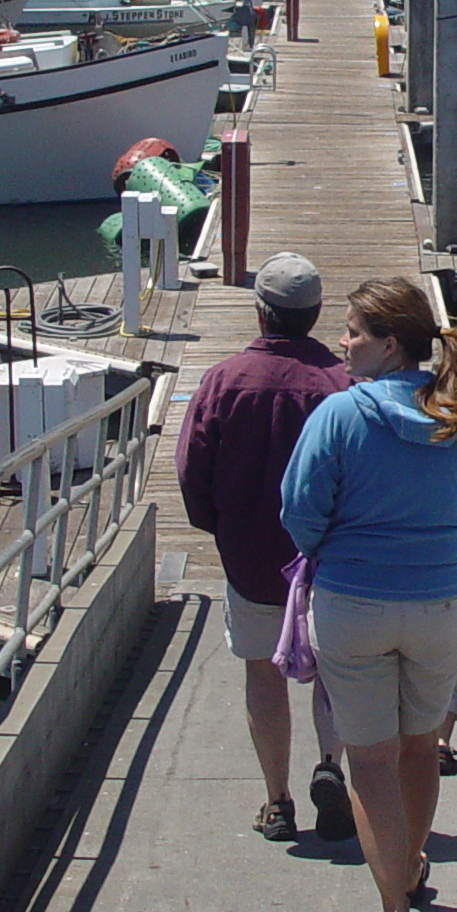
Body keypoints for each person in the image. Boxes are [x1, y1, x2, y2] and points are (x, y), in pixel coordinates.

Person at [280, 276, 457, 912]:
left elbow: (299, 511)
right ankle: (408, 871)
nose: (342, 344)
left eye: (353, 332)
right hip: (438, 605)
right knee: (420, 751)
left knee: (370, 762)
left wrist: (335, 549)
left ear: (387, 344)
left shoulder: (339, 416)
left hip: (352, 604)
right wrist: (444, 551)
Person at [177, 251, 356, 843]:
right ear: (317, 313)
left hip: (252, 558)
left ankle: (277, 801)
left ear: (260, 312)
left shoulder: (223, 379)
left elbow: (190, 470)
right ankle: (330, 766)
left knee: (262, 671)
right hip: (328, 560)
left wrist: (220, 528)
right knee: (335, 668)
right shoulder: (343, 385)